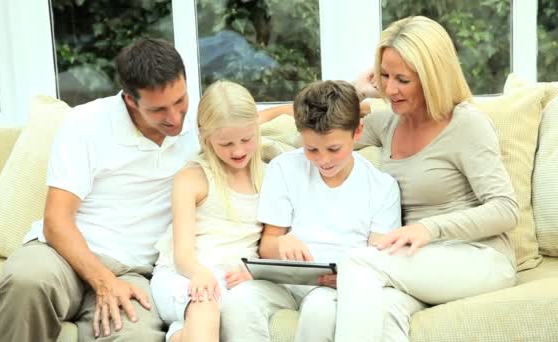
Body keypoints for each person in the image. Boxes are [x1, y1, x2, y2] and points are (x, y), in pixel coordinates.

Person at [0, 38, 200, 342]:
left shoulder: (198, 124)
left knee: (136, 335)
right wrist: (103, 282)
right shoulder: (85, 124)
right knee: (25, 281)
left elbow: (245, 125)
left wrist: (287, 113)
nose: (175, 117)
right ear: (130, 100)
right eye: (158, 110)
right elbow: (56, 221)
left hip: (133, 271)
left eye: (180, 100)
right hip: (62, 254)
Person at [335, 16, 519, 341]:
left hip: (479, 257)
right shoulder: (387, 123)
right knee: (383, 309)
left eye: (402, 79)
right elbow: (314, 144)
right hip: (419, 261)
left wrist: (428, 228)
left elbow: (505, 209)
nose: (390, 89)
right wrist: (351, 91)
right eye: (385, 76)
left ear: (432, 78)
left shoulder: (466, 125)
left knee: (356, 263)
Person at [220, 80, 402, 342]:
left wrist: (349, 279)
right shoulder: (284, 169)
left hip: (336, 287)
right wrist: (282, 244)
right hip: (285, 281)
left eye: (334, 149)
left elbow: (377, 260)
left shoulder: (382, 187)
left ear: (357, 131)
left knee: (319, 311)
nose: (323, 160)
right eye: (311, 149)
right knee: (237, 301)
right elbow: (267, 245)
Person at [150, 80, 264, 342]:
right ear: (204, 136)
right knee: (205, 303)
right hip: (184, 275)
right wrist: (200, 273)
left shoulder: (268, 177)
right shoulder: (193, 177)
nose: (238, 150)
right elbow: (182, 255)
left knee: (197, 323)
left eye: (247, 139)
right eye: (226, 144)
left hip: (234, 281)